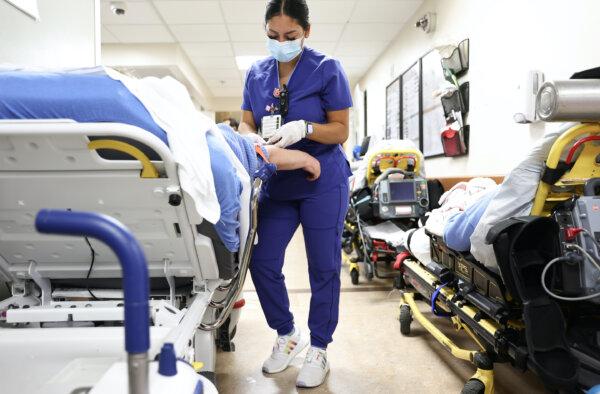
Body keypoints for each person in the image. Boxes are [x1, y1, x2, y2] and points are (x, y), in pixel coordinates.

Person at [238, 0, 352, 388]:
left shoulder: (327, 68)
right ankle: (287, 333)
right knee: (262, 259)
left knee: (323, 266)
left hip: (324, 181)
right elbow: (246, 119)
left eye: (290, 36)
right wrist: (248, 136)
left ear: (306, 31)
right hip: (278, 179)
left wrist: (305, 128)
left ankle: (319, 347)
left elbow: (340, 130)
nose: (281, 42)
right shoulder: (256, 73)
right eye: (273, 36)